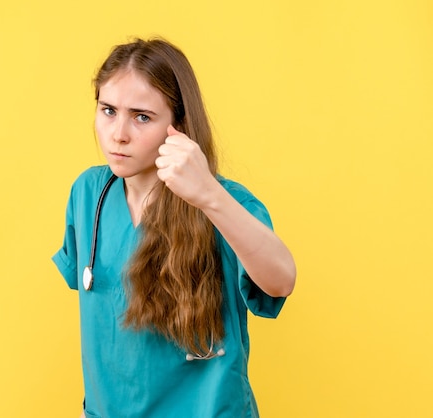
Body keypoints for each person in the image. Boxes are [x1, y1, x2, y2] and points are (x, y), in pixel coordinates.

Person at [52, 37, 296, 418]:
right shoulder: (88, 195)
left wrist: (209, 196)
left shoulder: (224, 202)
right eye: (108, 110)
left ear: (178, 126)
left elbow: (281, 281)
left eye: (142, 117)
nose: (118, 134)